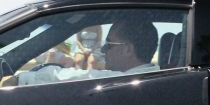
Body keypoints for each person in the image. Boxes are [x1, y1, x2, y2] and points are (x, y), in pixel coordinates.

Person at [15, 19, 160, 86]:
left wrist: (20, 79)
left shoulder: (125, 82)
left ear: (127, 49)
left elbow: (81, 77)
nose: (103, 50)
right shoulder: (156, 78)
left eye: (108, 45)